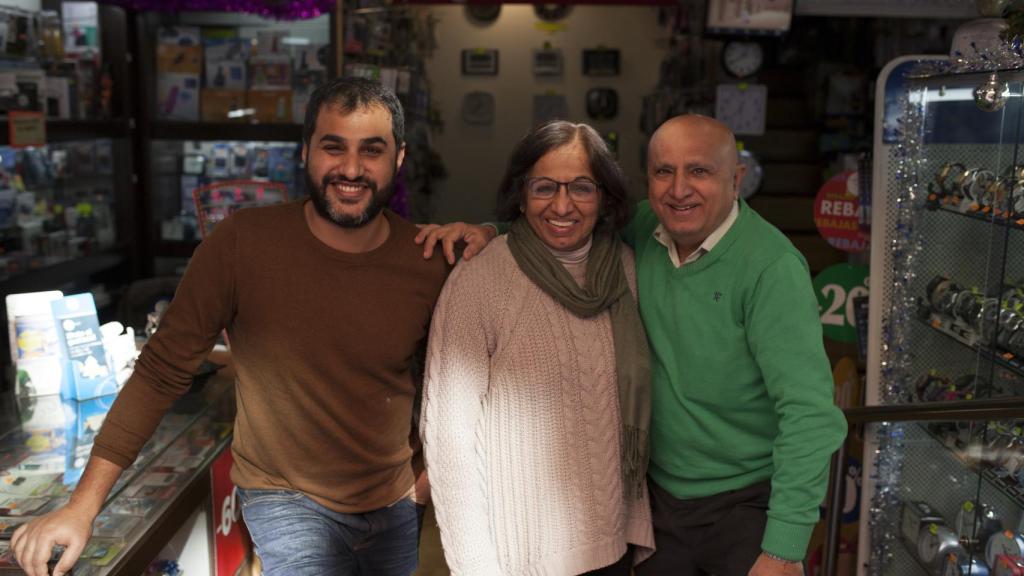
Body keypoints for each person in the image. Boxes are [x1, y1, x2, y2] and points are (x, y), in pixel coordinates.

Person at [12, 77, 450, 576]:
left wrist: (424, 482)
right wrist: (81, 507)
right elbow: (160, 371)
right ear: (306, 151)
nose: (351, 169)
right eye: (334, 147)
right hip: (287, 501)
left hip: (395, 503)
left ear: (398, 159)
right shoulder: (243, 242)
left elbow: (462, 388)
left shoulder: (428, 259)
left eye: (371, 151)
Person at [416, 114, 847, 576]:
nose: (679, 189)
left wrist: (784, 546)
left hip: (744, 506)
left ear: (737, 179)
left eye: (699, 171)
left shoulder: (771, 267)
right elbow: (559, 232)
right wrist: (492, 231)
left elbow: (809, 414)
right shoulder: (644, 231)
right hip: (659, 509)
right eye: (664, 172)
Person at [421, 120, 655, 575]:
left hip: (612, 548)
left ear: (604, 195)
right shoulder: (481, 278)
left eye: (582, 187)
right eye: (545, 187)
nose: (562, 205)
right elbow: (450, 440)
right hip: (520, 556)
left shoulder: (627, 270)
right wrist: (475, 566)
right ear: (521, 194)